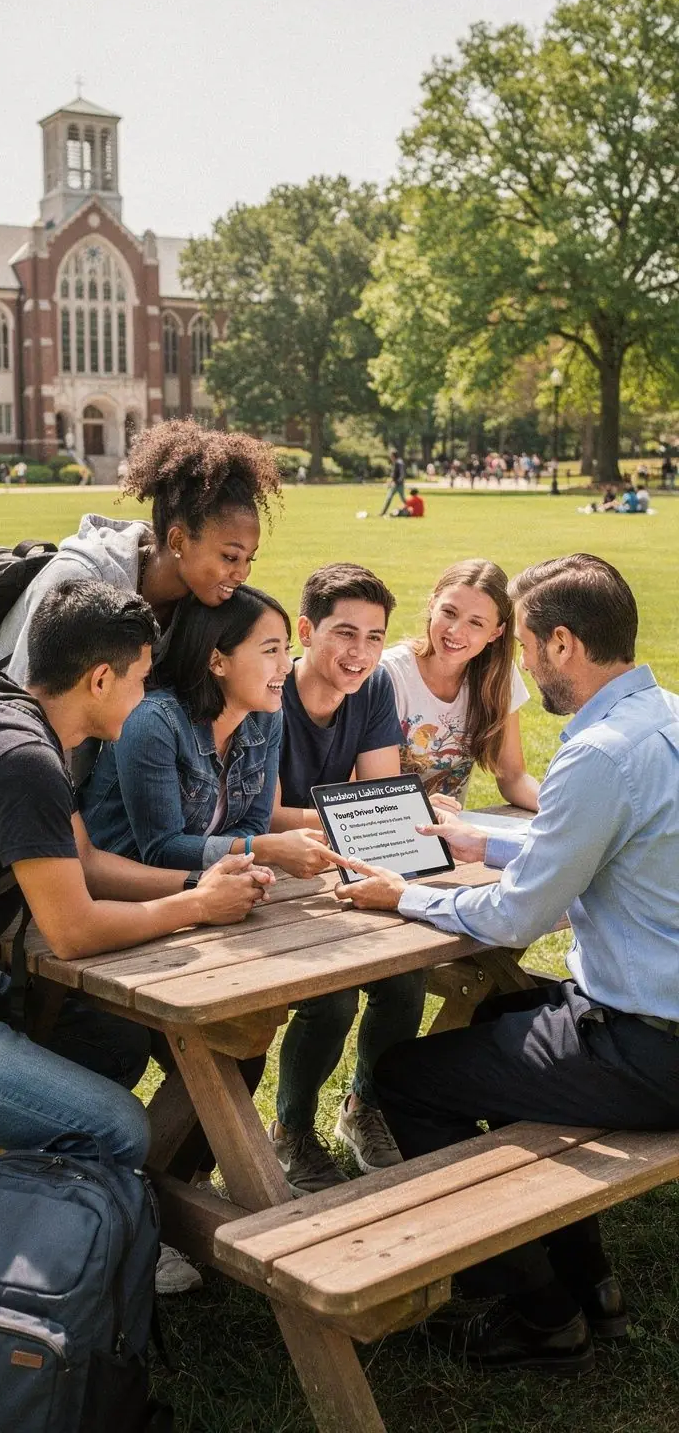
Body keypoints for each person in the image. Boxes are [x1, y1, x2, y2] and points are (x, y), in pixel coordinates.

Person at [0, 580, 271, 1313]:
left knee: (107, 1043)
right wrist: (197, 908)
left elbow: (78, 863)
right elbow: (73, 928)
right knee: (112, 1126)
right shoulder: (24, 762)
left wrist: (199, 880)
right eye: (143, 679)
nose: (147, 698)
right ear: (101, 678)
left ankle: (80, 1232)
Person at [325, 554, 679, 1377]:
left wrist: (401, 897)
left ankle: (539, 1311)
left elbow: (520, 913)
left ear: (562, 643)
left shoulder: (599, 755)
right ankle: (589, 1282)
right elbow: (604, 844)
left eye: (523, 644)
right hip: (659, 1027)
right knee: (496, 1015)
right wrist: (486, 839)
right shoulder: (662, 718)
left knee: (409, 1077)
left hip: (652, 1050)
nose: (519, 662)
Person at [266, 564, 426, 1193]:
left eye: (375, 636)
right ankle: (291, 1130)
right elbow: (267, 813)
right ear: (306, 630)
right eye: (344, 633)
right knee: (330, 996)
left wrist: (377, 810)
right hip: (273, 868)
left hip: (342, 859)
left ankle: (365, 1107)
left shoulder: (375, 685)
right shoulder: (272, 690)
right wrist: (362, 811)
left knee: (407, 973)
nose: (360, 653)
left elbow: (380, 787)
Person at [0, 421, 281, 688]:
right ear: (177, 542)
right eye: (230, 557)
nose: (242, 574)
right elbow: (19, 706)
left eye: (249, 559)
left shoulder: (199, 603)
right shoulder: (76, 581)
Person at [81, 586, 330, 881]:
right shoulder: (153, 721)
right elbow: (161, 850)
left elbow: (254, 823)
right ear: (217, 661)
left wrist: (244, 859)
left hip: (209, 885)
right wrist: (263, 849)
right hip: (128, 894)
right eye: (271, 650)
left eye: (286, 650)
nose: (286, 665)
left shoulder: (266, 716)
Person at [381, 560, 539, 808]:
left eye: (476, 623)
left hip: (451, 832)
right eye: (449, 612)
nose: (455, 631)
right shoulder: (388, 675)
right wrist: (420, 810)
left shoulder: (498, 677)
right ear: (432, 604)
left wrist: (559, 812)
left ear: (496, 632)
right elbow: (374, 792)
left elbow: (513, 778)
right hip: (392, 829)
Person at [379, 449, 406, 516]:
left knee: (389, 497)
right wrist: (391, 482)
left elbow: (401, 473)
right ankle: (383, 512)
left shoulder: (398, 462)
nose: (390, 457)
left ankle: (383, 512)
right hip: (398, 484)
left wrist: (397, 481)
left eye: (391, 455)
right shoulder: (398, 462)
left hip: (398, 484)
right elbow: (395, 474)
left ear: (393, 456)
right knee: (402, 499)